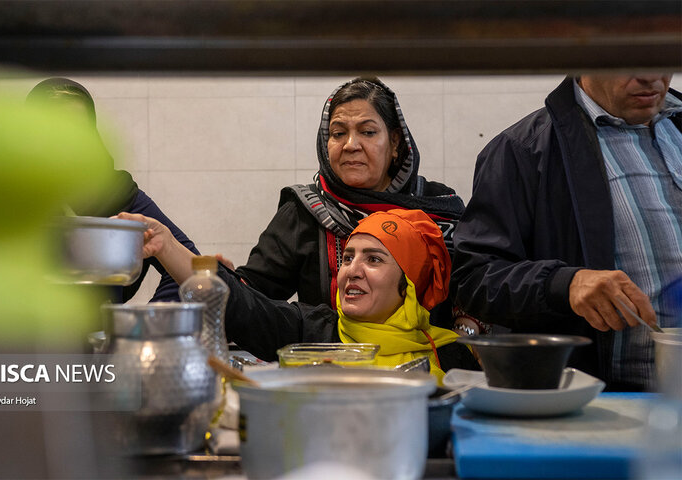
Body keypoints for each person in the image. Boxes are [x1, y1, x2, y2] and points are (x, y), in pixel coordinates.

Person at [451, 74, 682, 391]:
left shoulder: (677, 128)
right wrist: (564, 284)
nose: (651, 75)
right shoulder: (524, 150)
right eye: (628, 56)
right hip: (611, 401)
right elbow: (475, 278)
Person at [227, 77, 483, 333]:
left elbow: (474, 287)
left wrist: (467, 331)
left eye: (367, 132)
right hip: (331, 362)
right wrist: (230, 284)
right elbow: (256, 292)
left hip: (426, 365)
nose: (351, 145)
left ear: (395, 142)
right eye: (338, 134)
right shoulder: (306, 211)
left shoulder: (436, 208)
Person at [118, 208, 479, 385]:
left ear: (409, 284)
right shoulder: (312, 331)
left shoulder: (449, 354)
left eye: (374, 260)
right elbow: (242, 307)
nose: (352, 270)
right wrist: (166, 247)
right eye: (348, 257)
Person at [26, 78, 200, 302]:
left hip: (98, 335)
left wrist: (148, 322)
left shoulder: (116, 193)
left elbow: (192, 269)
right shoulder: (2, 195)